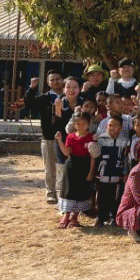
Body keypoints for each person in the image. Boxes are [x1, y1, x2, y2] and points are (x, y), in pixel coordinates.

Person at [24, 70, 65, 203]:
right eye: (52, 80)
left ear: (63, 80)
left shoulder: (69, 96)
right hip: (48, 136)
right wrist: (32, 88)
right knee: (50, 167)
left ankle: (64, 192)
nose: (55, 82)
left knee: (65, 167)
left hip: (66, 137)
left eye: (58, 79)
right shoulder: (44, 98)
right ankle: (51, 192)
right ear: (48, 82)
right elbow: (29, 104)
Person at [54, 113, 97, 228]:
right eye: (78, 123)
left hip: (85, 166)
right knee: (69, 190)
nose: (81, 126)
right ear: (74, 124)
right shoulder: (70, 137)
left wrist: (91, 171)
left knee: (81, 190)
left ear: (88, 124)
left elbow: (93, 156)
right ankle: (66, 215)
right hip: (72, 166)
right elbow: (66, 152)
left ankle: (75, 217)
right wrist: (59, 140)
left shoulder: (91, 137)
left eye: (84, 123)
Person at [95, 115, 131, 227]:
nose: (112, 128)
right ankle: (101, 217)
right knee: (101, 196)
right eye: (110, 125)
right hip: (103, 173)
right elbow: (96, 156)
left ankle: (114, 217)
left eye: (115, 126)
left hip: (117, 173)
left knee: (115, 197)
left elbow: (126, 158)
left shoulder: (125, 141)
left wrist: (125, 172)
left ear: (120, 128)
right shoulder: (101, 139)